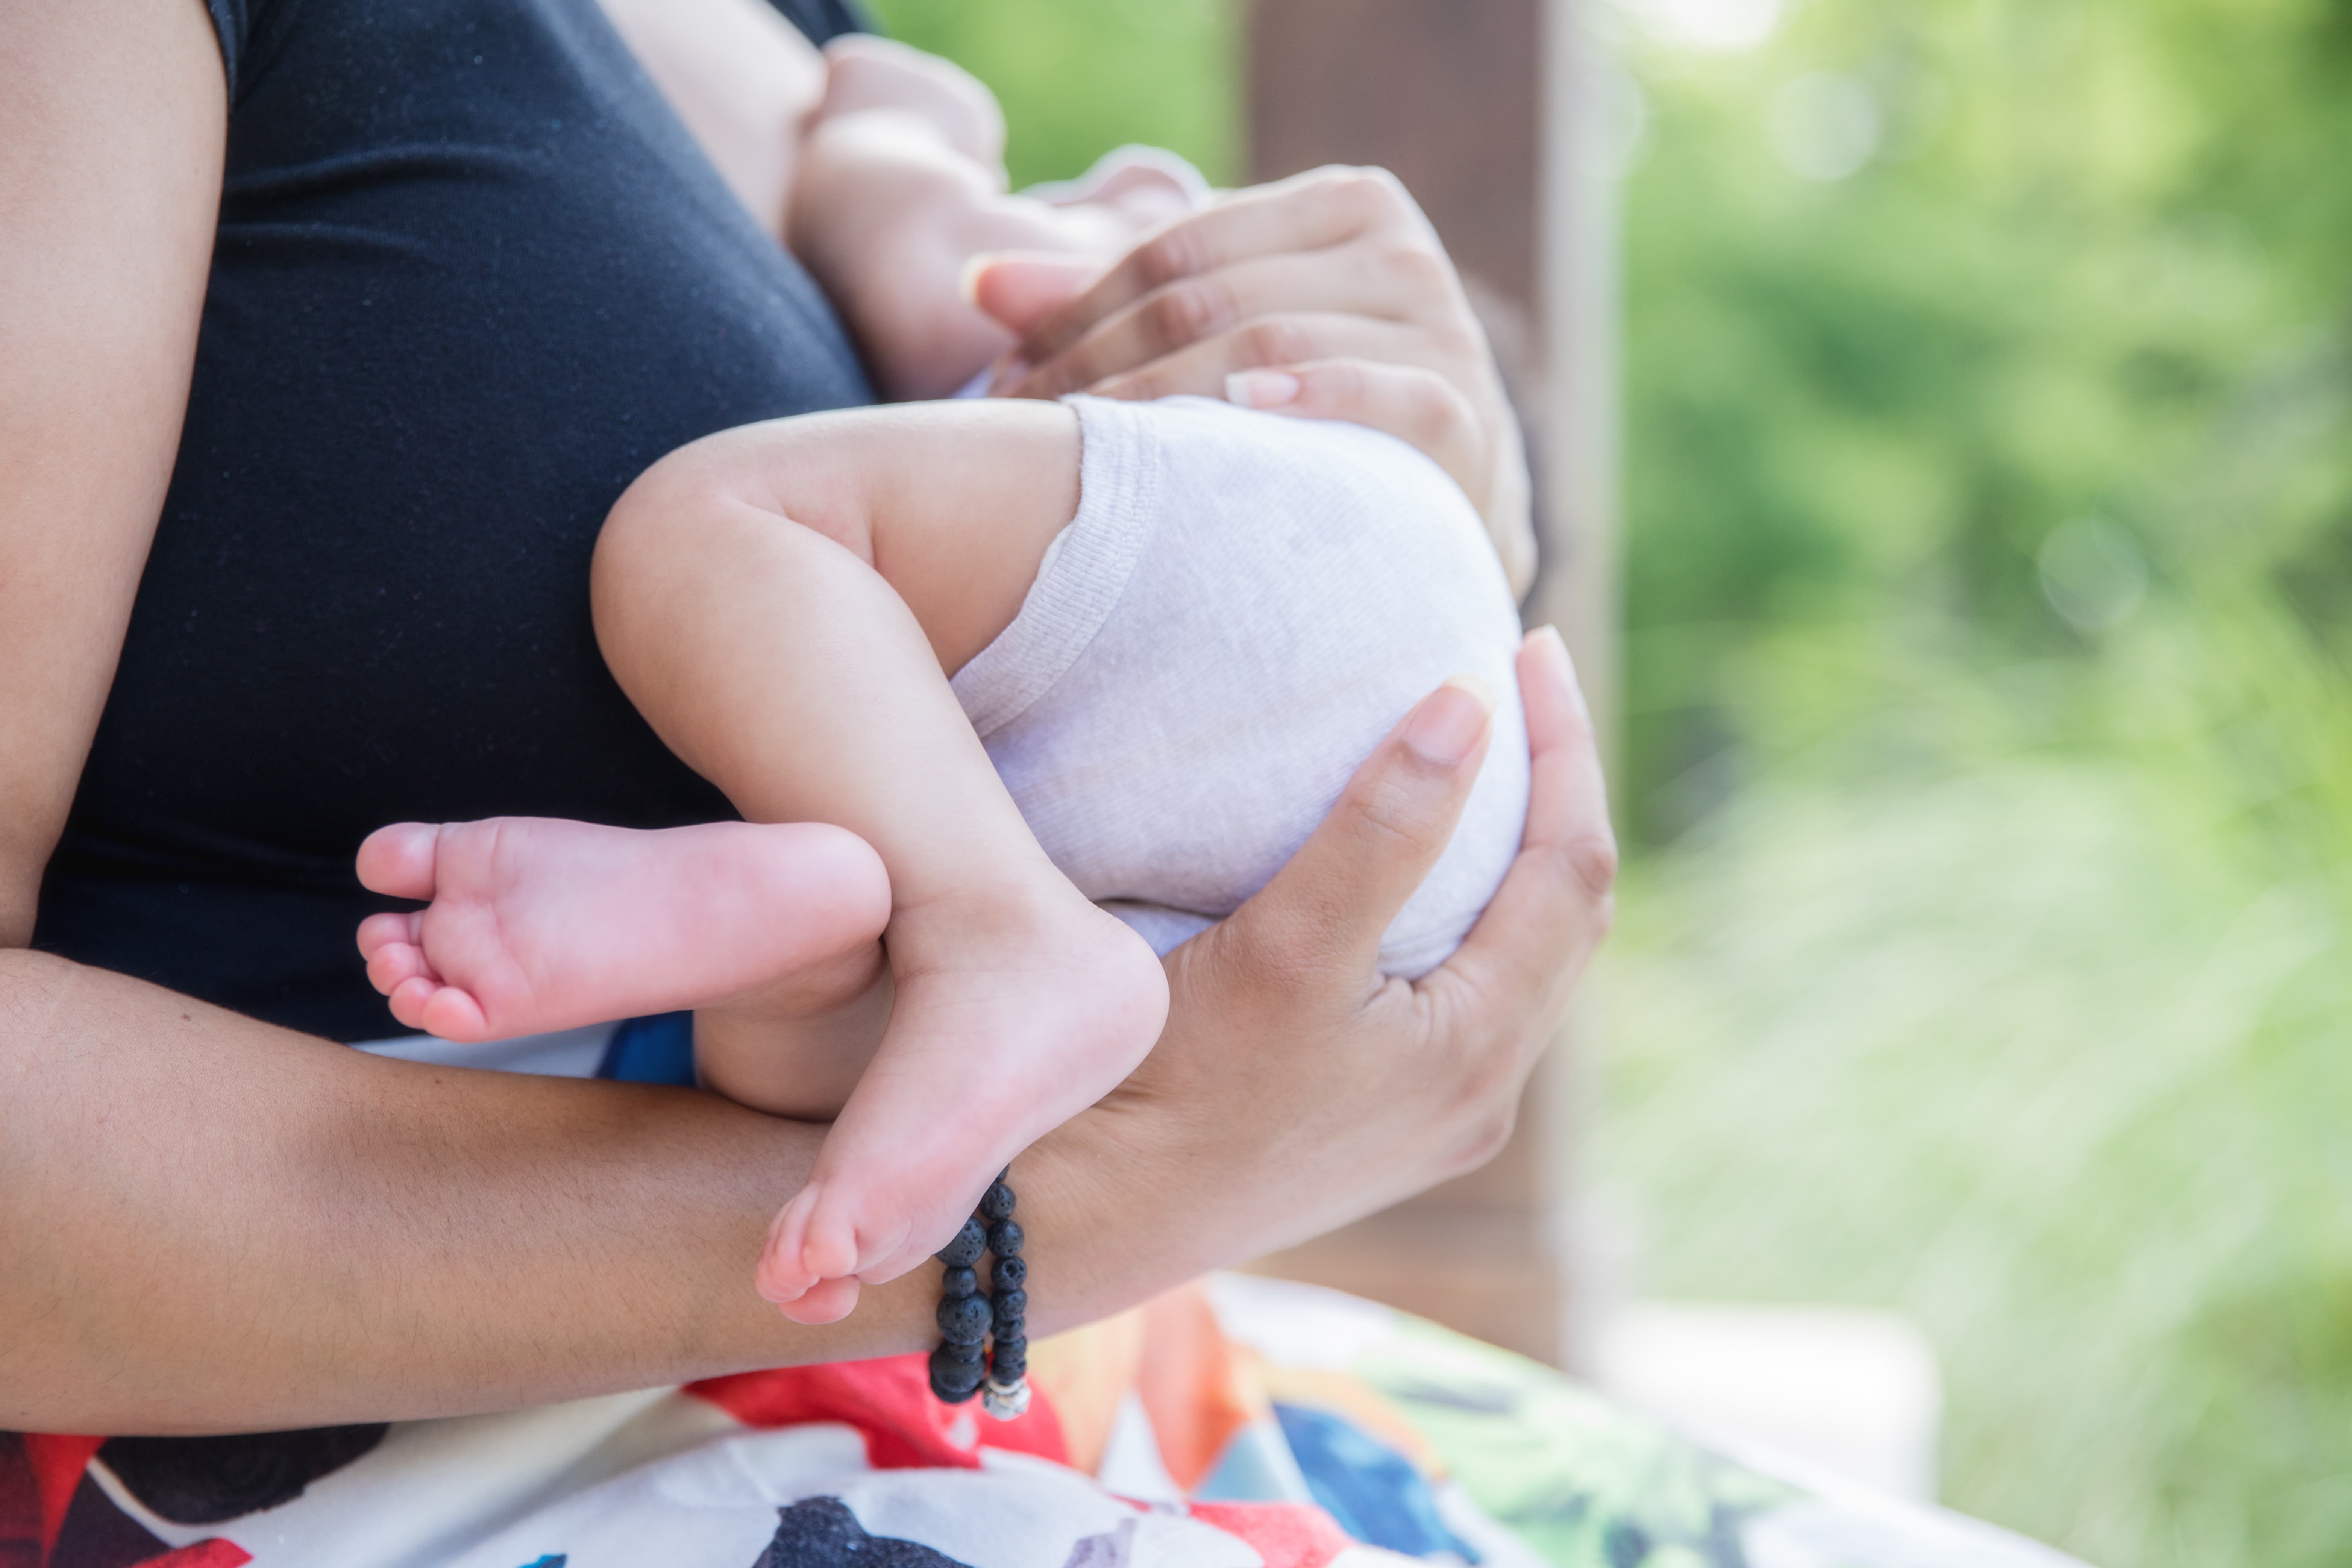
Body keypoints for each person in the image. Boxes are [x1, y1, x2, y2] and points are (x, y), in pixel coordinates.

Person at [1, 0, 1597, 1446]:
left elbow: (999, 293)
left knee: (709, 533)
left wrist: (1459, 484)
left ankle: (987, 930)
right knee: (807, 1011)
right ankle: (876, 935)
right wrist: (1073, 1212)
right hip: (889, 1388)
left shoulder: (834, 64)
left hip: (1018, 1383)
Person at [347, 48, 1533, 1316]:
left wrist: (883, 140)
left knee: (714, 523)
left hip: (1337, 601)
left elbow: (927, 265)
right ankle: (798, 946)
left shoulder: (1098, 297)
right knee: (847, 1074)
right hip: (1392, 837)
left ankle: (991, 934)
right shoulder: (1043, 564)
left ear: (1151, 208)